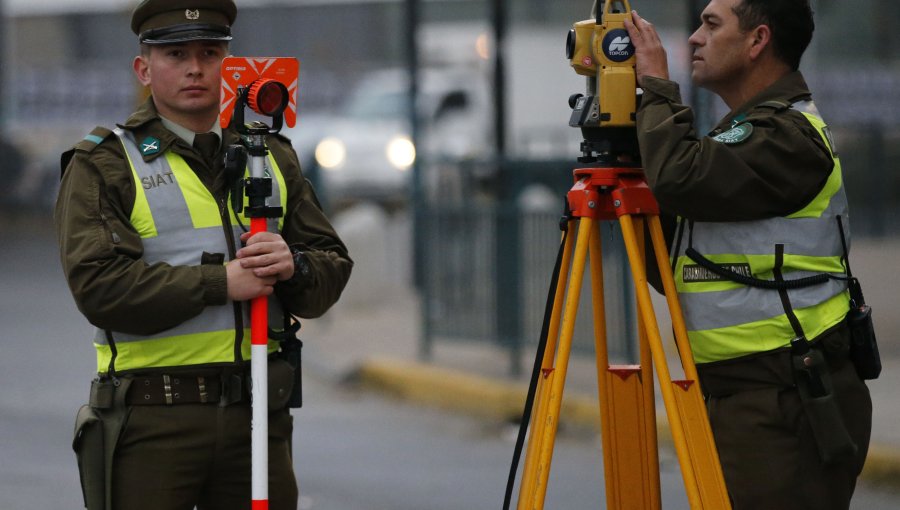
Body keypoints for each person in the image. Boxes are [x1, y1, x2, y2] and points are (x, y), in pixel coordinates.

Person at [55, 1, 352, 509]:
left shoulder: (270, 154)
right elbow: (100, 289)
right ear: (144, 69)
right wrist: (221, 283)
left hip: (258, 417)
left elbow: (331, 265)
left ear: (230, 64)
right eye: (176, 54)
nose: (195, 67)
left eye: (210, 53)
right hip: (152, 422)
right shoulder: (105, 163)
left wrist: (293, 267)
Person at [624, 1, 872, 508]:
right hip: (744, 396)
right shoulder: (744, 135)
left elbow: (680, 177)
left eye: (711, 24)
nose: (694, 38)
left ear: (758, 41)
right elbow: (680, 260)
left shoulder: (790, 137)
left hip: (789, 400)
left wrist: (655, 87)